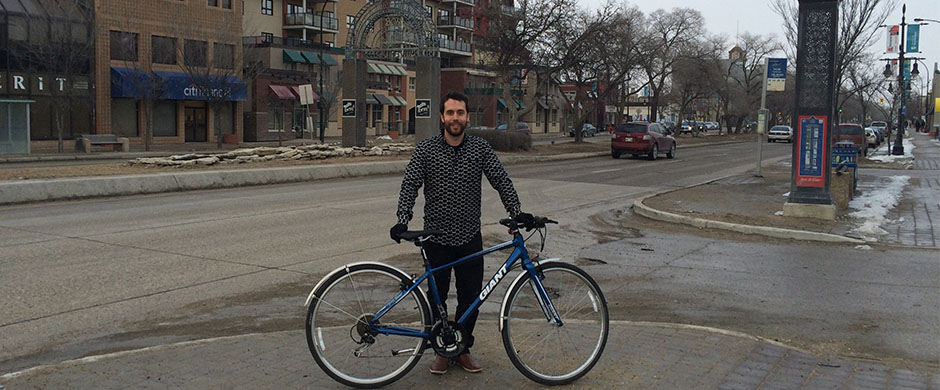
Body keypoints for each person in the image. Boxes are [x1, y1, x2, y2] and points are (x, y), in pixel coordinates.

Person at [390, 91, 531, 375]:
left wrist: (516, 212)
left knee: (471, 297)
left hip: (469, 236)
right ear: (442, 117)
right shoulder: (426, 149)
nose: (456, 118)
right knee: (437, 298)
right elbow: (410, 185)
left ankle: (462, 347)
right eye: (451, 113)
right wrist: (403, 219)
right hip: (435, 238)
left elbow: (501, 181)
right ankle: (441, 349)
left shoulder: (480, 149)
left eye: (460, 113)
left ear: (467, 117)